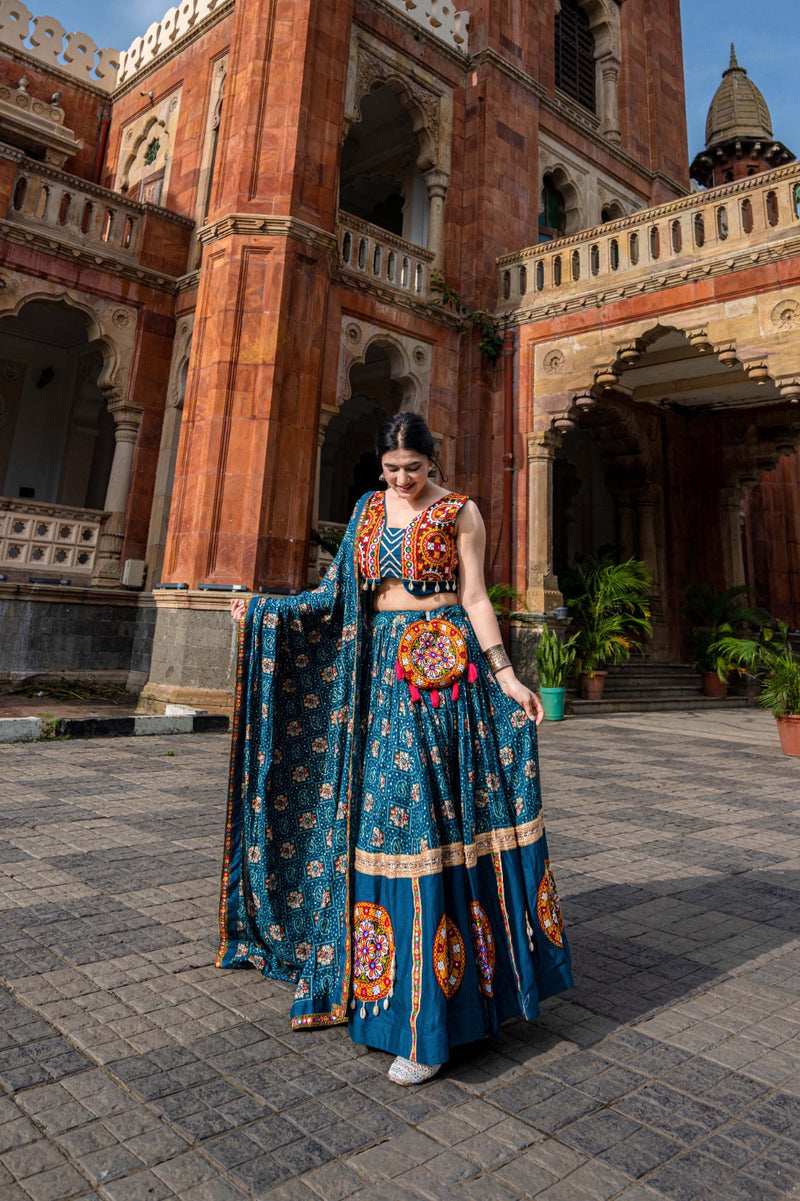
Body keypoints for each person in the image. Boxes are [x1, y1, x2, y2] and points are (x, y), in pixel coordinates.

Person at [219, 411, 572, 1085]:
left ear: (432, 461)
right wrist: (267, 610)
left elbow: (476, 597)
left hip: (442, 674)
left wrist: (506, 674)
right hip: (378, 677)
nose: (402, 480)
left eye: (412, 468)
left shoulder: (460, 512)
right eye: (391, 469)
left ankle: (429, 1026)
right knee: (382, 821)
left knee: (426, 825)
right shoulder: (367, 510)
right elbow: (334, 593)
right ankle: (386, 994)